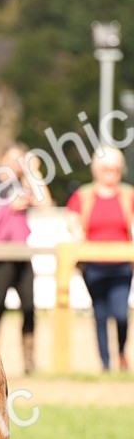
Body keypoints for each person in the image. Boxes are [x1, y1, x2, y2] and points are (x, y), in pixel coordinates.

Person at [0, 144, 52, 374]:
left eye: (21, 160)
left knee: (29, 307)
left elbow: (44, 202)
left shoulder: (23, 185)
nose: (17, 164)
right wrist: (9, 207)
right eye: (13, 159)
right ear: (1, 159)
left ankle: (29, 362)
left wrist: (34, 172)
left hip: (21, 253)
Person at [66, 146, 133, 372]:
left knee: (122, 313)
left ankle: (122, 351)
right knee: (101, 314)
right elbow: (72, 221)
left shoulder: (128, 195)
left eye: (114, 168)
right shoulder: (83, 195)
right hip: (93, 266)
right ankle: (105, 365)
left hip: (122, 265)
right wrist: (77, 234)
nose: (110, 172)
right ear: (96, 170)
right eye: (105, 168)